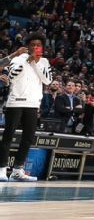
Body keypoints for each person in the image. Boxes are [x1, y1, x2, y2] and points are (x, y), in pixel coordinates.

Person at [0, 34, 55, 182]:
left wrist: (36, 63)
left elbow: (48, 80)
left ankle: (17, 170)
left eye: (38, 45)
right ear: (28, 46)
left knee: (28, 138)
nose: (35, 47)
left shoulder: (44, 61)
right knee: (8, 136)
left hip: (33, 104)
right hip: (15, 102)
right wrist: (27, 61)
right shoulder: (18, 59)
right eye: (32, 44)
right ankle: (2, 169)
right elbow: (12, 76)